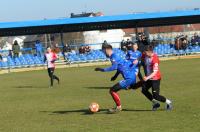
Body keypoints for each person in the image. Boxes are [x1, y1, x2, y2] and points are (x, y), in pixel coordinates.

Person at [95, 44, 136, 113]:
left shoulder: (113, 57)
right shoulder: (115, 56)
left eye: (103, 51)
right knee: (115, 89)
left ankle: (118, 107)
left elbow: (114, 67)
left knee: (112, 90)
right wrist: (115, 76)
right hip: (132, 76)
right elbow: (120, 67)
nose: (103, 53)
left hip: (129, 78)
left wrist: (102, 69)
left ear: (107, 50)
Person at [141, 45, 172, 111]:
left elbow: (155, 72)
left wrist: (147, 78)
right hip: (149, 78)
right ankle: (155, 103)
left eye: (146, 52)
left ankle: (168, 102)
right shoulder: (145, 55)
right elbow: (140, 57)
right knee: (144, 90)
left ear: (150, 52)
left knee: (156, 96)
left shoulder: (155, 59)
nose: (145, 53)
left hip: (155, 79)